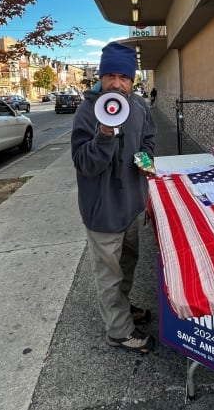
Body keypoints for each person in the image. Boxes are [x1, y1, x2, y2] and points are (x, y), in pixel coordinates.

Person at [71, 42, 157, 354]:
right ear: (102, 76)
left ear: (133, 80)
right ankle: (118, 330)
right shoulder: (87, 112)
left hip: (132, 206)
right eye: (111, 76)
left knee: (128, 264)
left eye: (124, 77)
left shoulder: (139, 107)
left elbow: (148, 139)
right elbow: (84, 163)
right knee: (109, 274)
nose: (117, 83)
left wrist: (146, 158)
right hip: (103, 211)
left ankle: (122, 307)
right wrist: (104, 135)